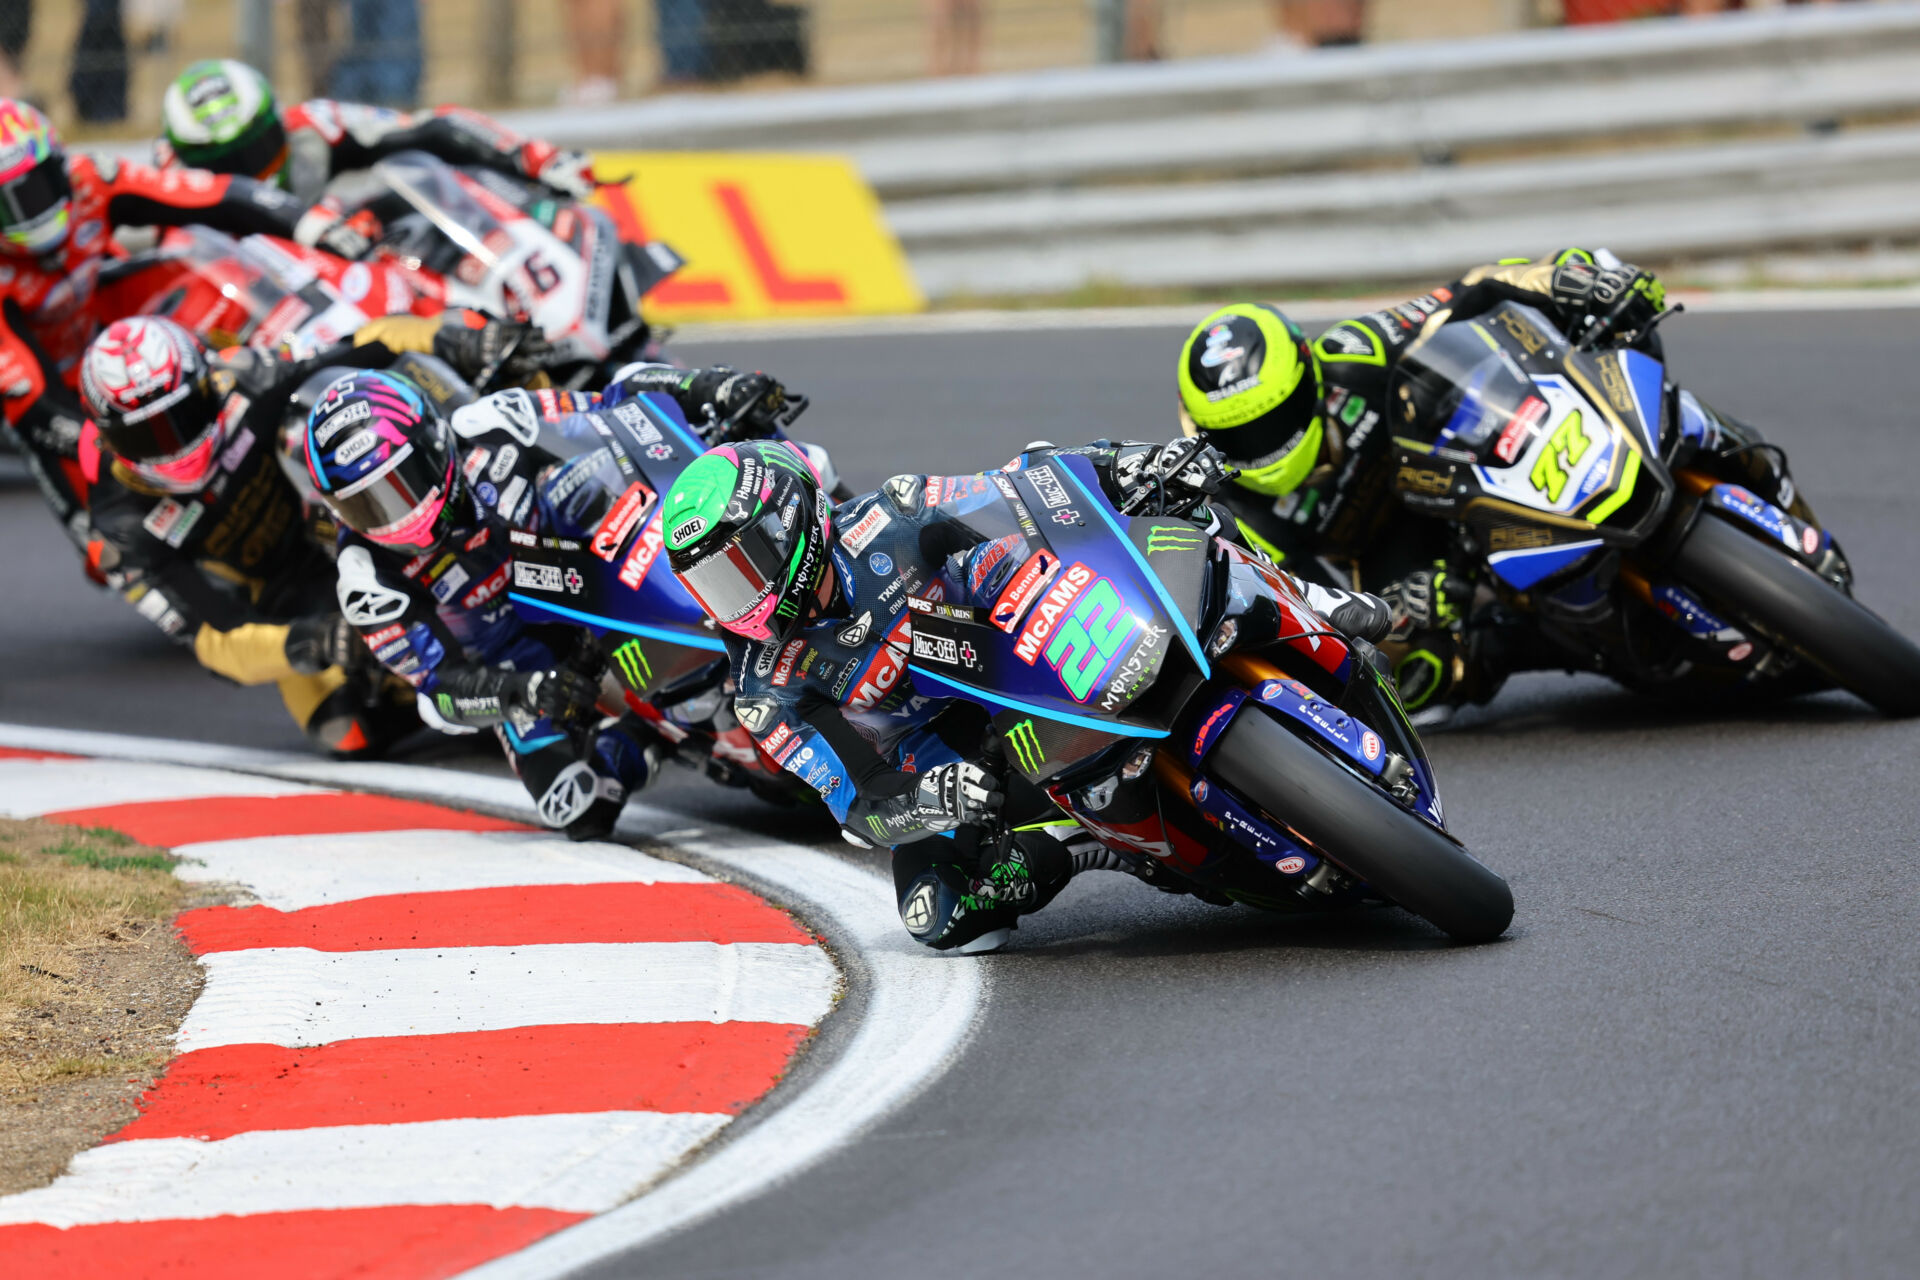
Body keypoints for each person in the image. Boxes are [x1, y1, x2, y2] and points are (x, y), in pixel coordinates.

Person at [662, 438, 1391, 953]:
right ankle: (1094, 846)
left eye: (741, 566)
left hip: (1018, 642)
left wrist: (1123, 465)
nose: (739, 601)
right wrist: (930, 799)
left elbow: (1024, 485)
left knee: (1175, 514)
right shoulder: (766, 685)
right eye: (713, 586)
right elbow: (856, 795)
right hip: (959, 758)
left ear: (790, 526)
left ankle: (1313, 599)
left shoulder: (895, 515)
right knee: (940, 919)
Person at [1173, 248, 1719, 719]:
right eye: (1240, 436)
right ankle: (1592, 644)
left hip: (1469, 458)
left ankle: (1696, 442)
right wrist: (1394, 607)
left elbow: (1472, 289)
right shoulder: (1239, 511)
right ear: (1201, 433)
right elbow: (1302, 614)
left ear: (1308, 374)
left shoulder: (1355, 351)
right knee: (1420, 680)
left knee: (1604, 318)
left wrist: (1566, 280)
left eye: (1275, 418)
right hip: (1401, 554)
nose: (1266, 444)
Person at [301, 360, 809, 837]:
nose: (393, 517)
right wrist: (521, 690)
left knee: (731, 443)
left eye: (397, 486)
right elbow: (439, 694)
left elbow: (617, 400)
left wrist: (705, 387)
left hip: (587, 562)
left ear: (432, 442)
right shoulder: (366, 577)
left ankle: (815, 521)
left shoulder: (492, 423)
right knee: (578, 805)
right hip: (519, 657)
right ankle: (644, 735)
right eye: (364, 504)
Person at [78, 309, 547, 756]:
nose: (174, 444)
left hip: (357, 524)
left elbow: (369, 345)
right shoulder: (120, 524)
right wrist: (313, 640)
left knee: (317, 404)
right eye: (147, 436)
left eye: (183, 415)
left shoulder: (248, 375)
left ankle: (496, 468)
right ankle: (448, 681)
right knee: (343, 729)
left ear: (207, 380)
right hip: (288, 592)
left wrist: (453, 339)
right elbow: (212, 639)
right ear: (106, 437)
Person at [0, 98, 329, 566]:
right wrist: (107, 443)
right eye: (4, 206)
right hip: (52, 380)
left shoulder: (92, 178)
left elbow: (209, 195)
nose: (26, 215)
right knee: (107, 551)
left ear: (58, 162)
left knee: (203, 267)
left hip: (112, 323)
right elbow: (34, 406)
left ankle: (287, 364)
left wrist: (312, 224)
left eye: (33, 190)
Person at [155, 59, 599, 208]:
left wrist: (534, 157)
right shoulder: (160, 190)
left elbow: (433, 126)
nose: (250, 169)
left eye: (257, 148)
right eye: (226, 162)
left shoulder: (315, 124)